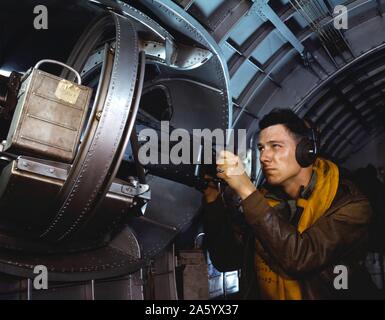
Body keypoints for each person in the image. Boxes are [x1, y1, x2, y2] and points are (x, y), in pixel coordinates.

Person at [203, 108, 378, 299]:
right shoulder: (264, 203)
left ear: (306, 150)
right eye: (261, 148)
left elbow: (300, 258)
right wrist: (213, 199)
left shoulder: (351, 206)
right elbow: (227, 259)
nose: (264, 157)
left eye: (275, 146)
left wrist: (246, 190)